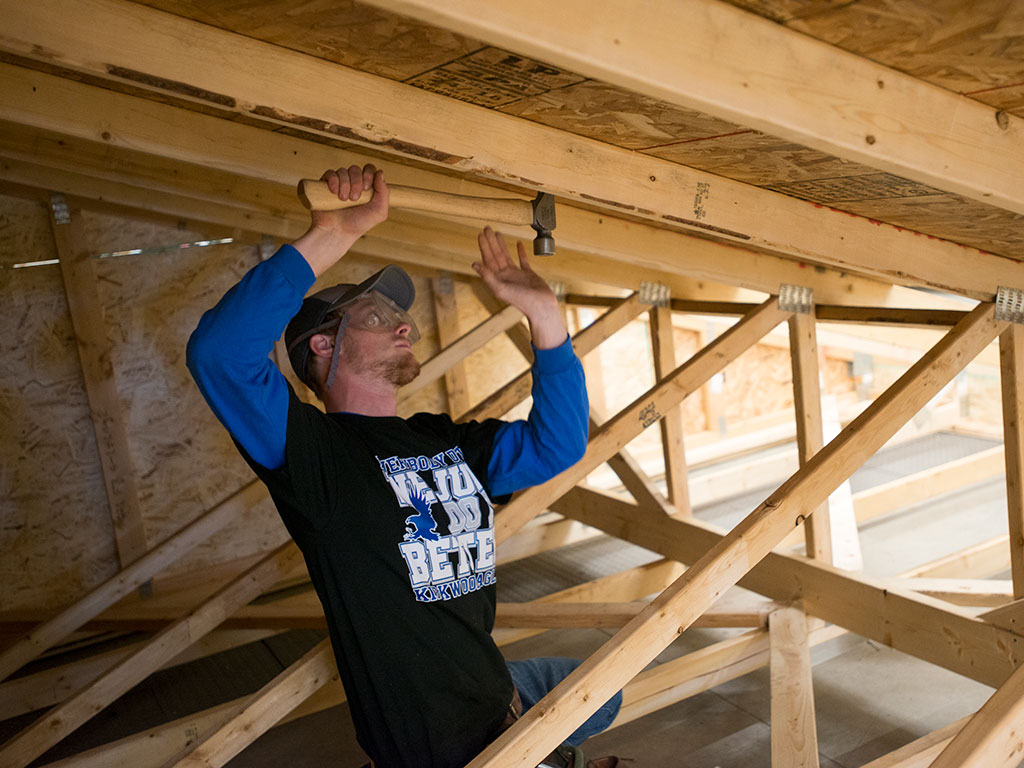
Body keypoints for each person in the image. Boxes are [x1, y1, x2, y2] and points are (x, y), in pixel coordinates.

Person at [187, 164, 620, 768]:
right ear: (321, 344)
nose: (401, 325)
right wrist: (333, 236)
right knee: (596, 699)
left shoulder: (438, 438)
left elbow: (557, 446)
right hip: (450, 749)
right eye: (373, 316)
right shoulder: (317, 456)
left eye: (400, 317)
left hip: (496, 690)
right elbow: (219, 353)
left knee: (609, 691)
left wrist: (545, 318)